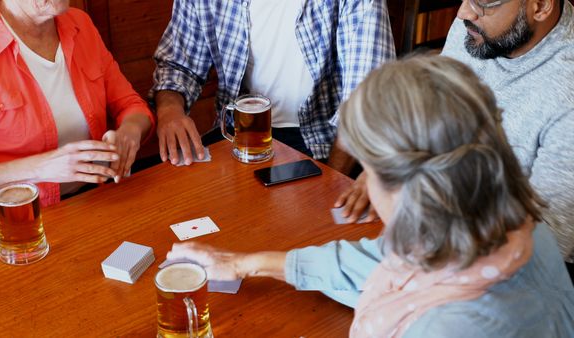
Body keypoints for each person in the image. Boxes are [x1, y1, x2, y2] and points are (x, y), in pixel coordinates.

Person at [165, 56, 574, 337]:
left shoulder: (445, 328)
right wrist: (243, 264)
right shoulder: (516, 227)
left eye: (367, 170)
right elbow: (376, 262)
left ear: (411, 190)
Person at [336, 0, 574, 277]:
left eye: (483, 4)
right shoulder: (478, 27)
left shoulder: (566, 93)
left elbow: (546, 244)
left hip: (510, 270)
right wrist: (387, 165)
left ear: (541, 6)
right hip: (440, 225)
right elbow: (436, 111)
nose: (463, 13)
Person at [0, 0, 155, 240]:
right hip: (7, 231)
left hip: (92, 204)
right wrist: (43, 168)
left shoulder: (80, 24)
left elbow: (131, 105)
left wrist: (129, 134)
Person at [150, 0, 394, 169]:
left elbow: (367, 98)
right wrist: (169, 110)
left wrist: (334, 180)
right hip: (239, 138)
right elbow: (178, 65)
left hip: (326, 143)